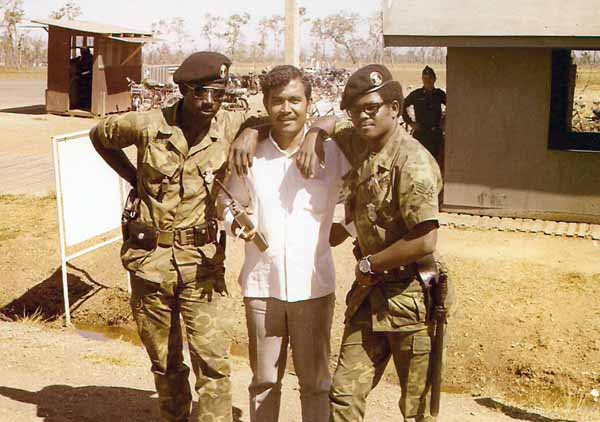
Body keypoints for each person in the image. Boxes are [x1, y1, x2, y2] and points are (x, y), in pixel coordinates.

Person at [89, 51, 257, 422]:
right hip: (151, 263)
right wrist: (133, 176)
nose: (209, 101)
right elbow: (99, 135)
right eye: (200, 92)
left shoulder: (230, 124)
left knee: (213, 363)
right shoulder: (148, 125)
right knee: (166, 363)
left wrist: (249, 132)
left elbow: (273, 118)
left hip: (202, 266)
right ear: (182, 89)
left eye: (218, 92)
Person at [300, 64, 443, 422]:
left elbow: (425, 239)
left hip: (412, 296)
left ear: (394, 109)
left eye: (371, 108)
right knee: (344, 394)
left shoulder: (413, 161)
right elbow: (331, 124)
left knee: (418, 409)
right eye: (355, 109)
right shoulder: (361, 143)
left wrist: (369, 264)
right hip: (370, 295)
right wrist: (313, 133)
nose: (362, 116)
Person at [222, 65, 351, 422]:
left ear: (309, 104)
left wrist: (347, 230)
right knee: (264, 380)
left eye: (295, 100)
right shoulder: (250, 153)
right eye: (277, 101)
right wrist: (238, 226)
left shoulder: (333, 153)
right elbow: (229, 203)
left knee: (315, 383)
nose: (286, 109)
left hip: (313, 286)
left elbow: (366, 195)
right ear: (265, 104)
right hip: (263, 286)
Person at [402, 66, 446, 169]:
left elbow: (453, 106)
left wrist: (445, 120)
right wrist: (410, 123)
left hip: (435, 135)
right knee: (420, 163)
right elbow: (403, 105)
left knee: (436, 164)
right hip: (421, 134)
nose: (428, 81)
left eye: (430, 78)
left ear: (434, 79)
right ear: (422, 79)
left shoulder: (439, 94)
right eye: (425, 78)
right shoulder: (416, 94)